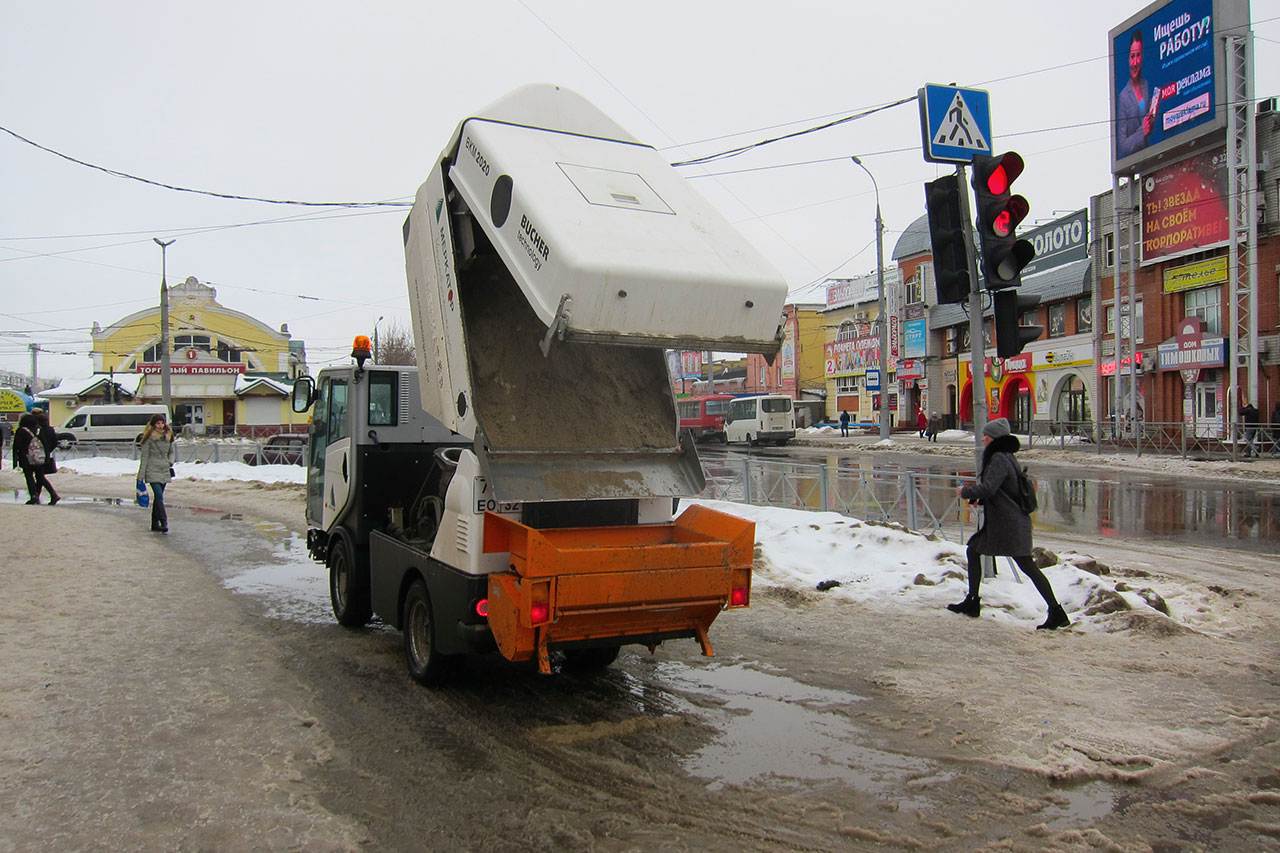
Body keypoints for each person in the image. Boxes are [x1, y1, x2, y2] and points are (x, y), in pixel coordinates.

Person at [947, 418, 1069, 630]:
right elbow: (1002, 490)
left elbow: (989, 488)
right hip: (1007, 522)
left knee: (1027, 566)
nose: (983, 438)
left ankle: (1056, 611)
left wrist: (965, 492)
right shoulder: (1006, 457)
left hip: (1008, 524)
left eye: (986, 435)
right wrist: (980, 498)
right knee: (974, 550)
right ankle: (973, 601)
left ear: (994, 439)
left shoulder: (999, 459)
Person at [1116, 30, 1156, 159]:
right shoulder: (1123, 97)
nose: (1135, 62)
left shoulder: (1149, 85)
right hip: (1141, 161)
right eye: (1132, 56)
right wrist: (1142, 132)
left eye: (1138, 55)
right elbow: (1121, 146)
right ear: (1128, 58)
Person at [137, 413, 176, 533]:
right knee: (159, 496)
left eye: (162, 423)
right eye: (158, 423)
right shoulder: (148, 438)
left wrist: (170, 461)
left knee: (158, 499)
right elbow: (144, 458)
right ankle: (164, 521)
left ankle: (154, 524)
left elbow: (171, 452)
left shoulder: (168, 436)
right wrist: (140, 476)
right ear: (153, 425)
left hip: (164, 469)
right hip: (152, 469)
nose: (160, 425)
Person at [13, 412, 58, 505]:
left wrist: (15, 461)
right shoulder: (38, 430)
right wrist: (46, 456)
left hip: (26, 458)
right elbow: (45, 444)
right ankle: (53, 494)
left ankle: (34, 496)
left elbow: (16, 446)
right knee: (40, 477)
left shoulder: (21, 431)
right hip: (39, 458)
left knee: (29, 477)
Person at [32, 408, 60, 503]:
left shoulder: (38, 430)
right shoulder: (50, 429)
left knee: (40, 476)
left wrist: (44, 451)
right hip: (48, 455)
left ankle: (53, 495)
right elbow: (55, 442)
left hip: (39, 456)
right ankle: (36, 496)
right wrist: (48, 451)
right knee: (40, 476)